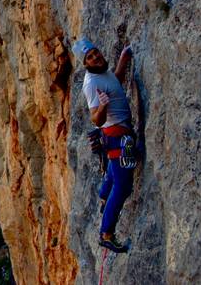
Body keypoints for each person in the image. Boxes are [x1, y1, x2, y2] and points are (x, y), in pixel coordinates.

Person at [73, 37, 135, 253]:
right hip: (119, 137)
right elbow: (95, 119)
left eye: (95, 52)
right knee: (124, 185)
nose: (95, 57)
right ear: (86, 63)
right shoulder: (91, 84)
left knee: (113, 173)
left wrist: (123, 60)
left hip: (119, 135)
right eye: (90, 57)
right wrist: (102, 108)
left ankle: (103, 197)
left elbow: (115, 84)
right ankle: (106, 233)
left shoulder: (103, 73)